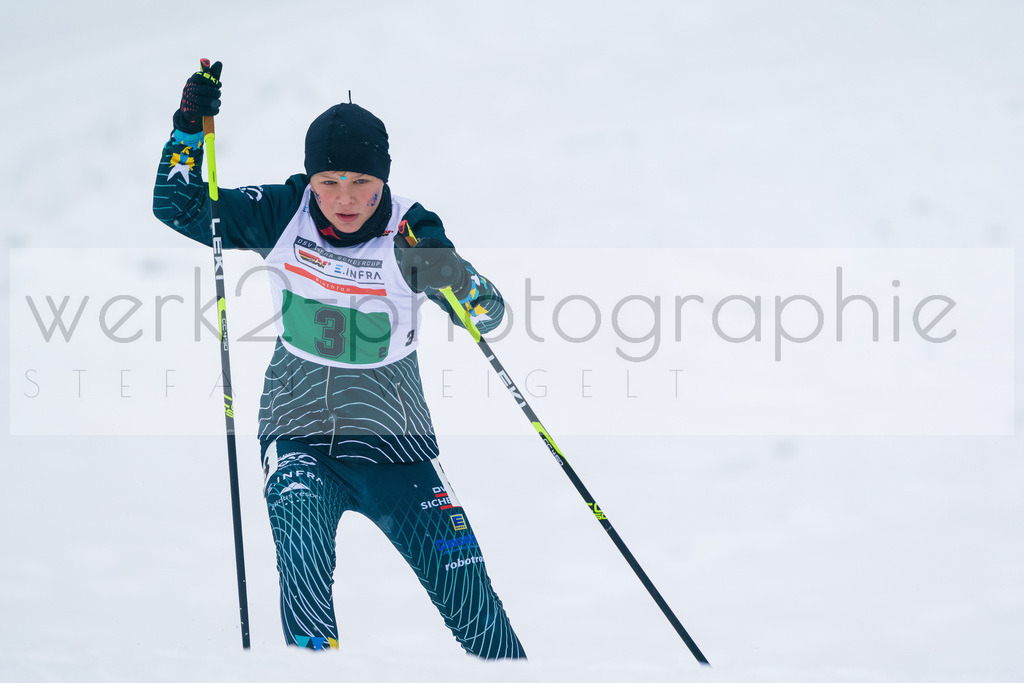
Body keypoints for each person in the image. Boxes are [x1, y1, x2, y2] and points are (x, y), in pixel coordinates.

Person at [152, 60, 526, 659]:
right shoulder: (282, 212)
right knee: (301, 553)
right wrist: (188, 129)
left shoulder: (410, 229)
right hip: (299, 434)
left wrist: (447, 271)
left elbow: (487, 314)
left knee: (481, 621)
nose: (344, 199)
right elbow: (177, 207)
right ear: (309, 179)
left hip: (396, 446)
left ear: (383, 180)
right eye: (328, 182)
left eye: (361, 182)